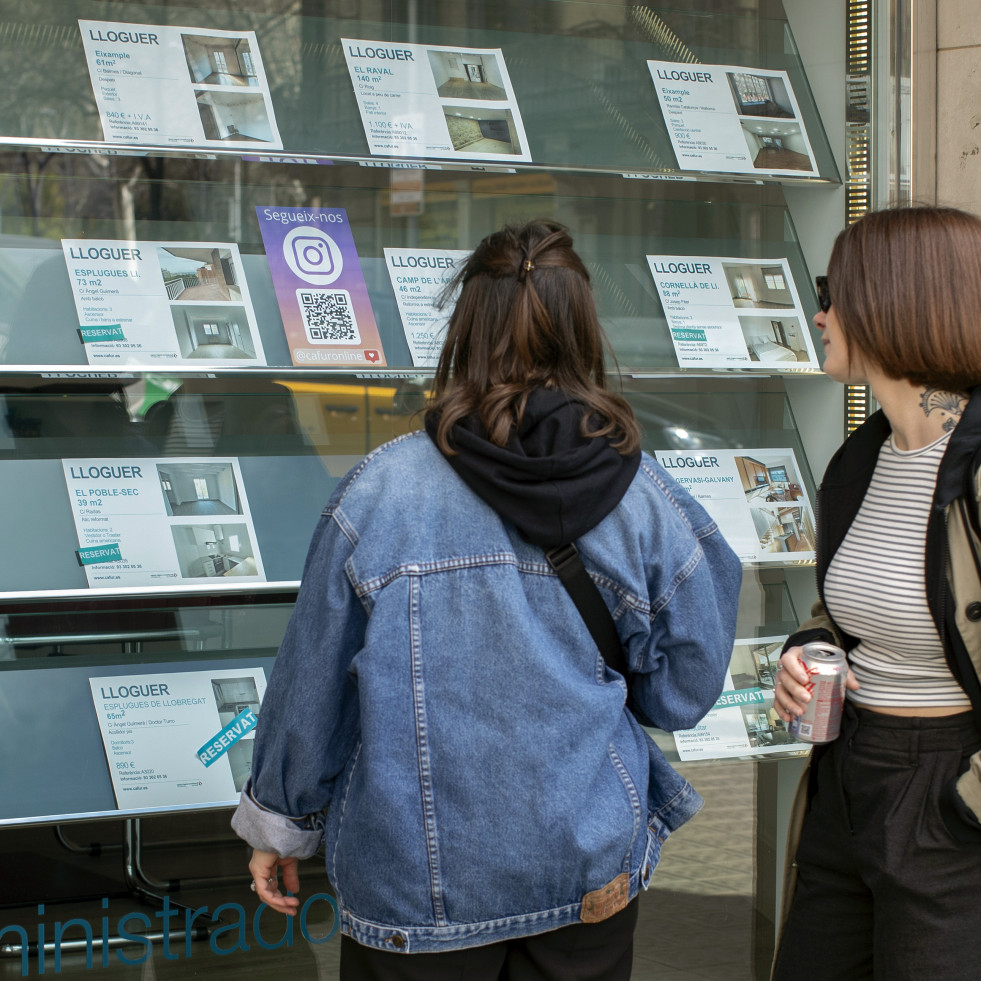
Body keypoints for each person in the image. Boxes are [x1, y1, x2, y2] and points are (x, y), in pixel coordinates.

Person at [231, 218, 741, 980]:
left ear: (464, 327)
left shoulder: (380, 492)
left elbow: (314, 685)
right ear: (582, 329)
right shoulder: (645, 498)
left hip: (415, 887)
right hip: (585, 866)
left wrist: (280, 821)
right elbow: (682, 692)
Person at [772, 206, 981, 981]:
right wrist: (807, 653)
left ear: (894, 303)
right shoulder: (859, 460)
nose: (819, 314)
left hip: (947, 794)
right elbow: (848, 610)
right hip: (847, 775)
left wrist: (967, 802)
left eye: (835, 293)